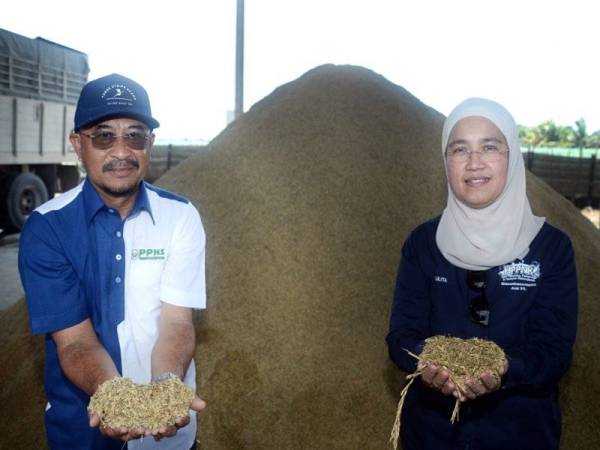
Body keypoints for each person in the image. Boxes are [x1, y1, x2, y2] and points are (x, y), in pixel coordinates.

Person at [19, 73, 207, 450]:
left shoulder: (181, 217)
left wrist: (166, 389)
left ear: (150, 143)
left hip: (166, 433)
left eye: (135, 135)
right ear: (78, 144)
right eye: (103, 136)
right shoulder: (47, 228)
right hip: (82, 426)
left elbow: (177, 322)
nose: (121, 151)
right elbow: (73, 342)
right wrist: (115, 399)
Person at [386, 98, 578, 450]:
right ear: (446, 162)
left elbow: (554, 349)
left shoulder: (550, 248)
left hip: (520, 434)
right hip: (431, 435)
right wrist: (425, 359)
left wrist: (505, 369)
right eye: (459, 150)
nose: (474, 163)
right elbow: (401, 334)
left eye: (489, 146)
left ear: (512, 156)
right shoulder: (422, 244)